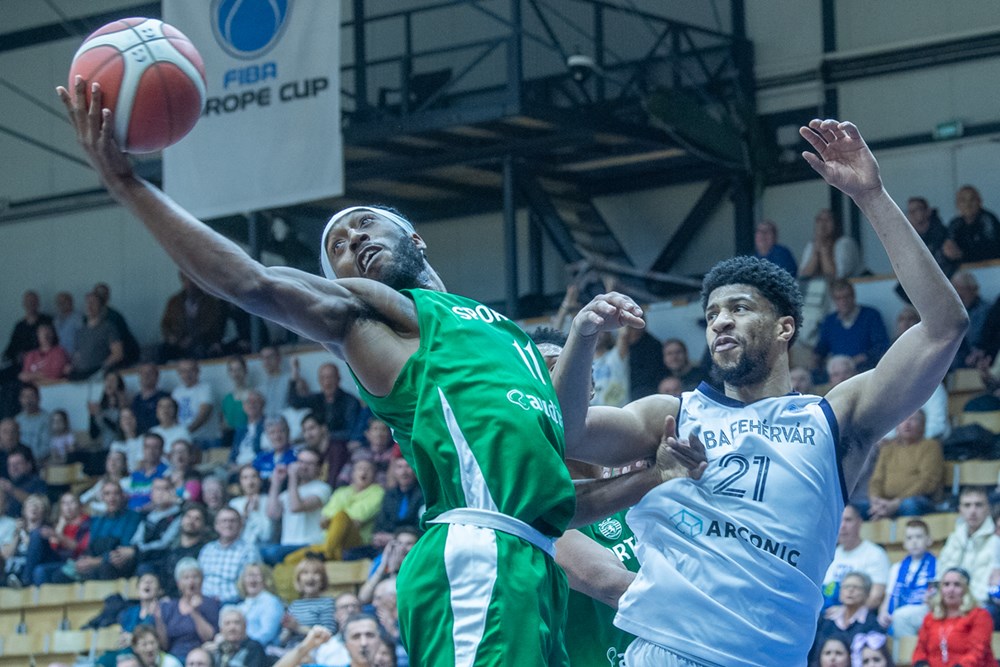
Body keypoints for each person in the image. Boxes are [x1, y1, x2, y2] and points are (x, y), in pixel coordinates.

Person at [56, 75, 747, 665]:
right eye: (337, 248)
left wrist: (658, 473)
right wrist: (128, 183)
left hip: (528, 556)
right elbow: (253, 281)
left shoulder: (501, 332)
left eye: (362, 226)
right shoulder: (380, 325)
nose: (350, 240)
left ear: (413, 237)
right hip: (477, 554)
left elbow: (558, 501)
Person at [551, 119, 968, 666]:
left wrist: (871, 196)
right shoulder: (669, 415)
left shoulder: (834, 417)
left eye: (740, 308)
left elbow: (943, 326)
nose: (721, 322)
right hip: (667, 651)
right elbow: (565, 431)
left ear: (784, 328)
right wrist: (582, 337)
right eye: (712, 314)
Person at [865, 411, 943, 519]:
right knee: (853, 509)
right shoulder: (887, 448)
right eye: (903, 419)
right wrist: (875, 500)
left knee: (909, 505)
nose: (907, 424)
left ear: (923, 425)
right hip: (884, 502)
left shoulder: (930, 446)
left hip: (917, 500)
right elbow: (876, 479)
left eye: (913, 419)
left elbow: (928, 481)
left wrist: (897, 502)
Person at [912, 567, 994, 667]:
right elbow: (920, 650)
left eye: (957, 585)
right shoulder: (930, 618)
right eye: (946, 584)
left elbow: (977, 652)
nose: (951, 589)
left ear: (966, 589)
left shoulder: (980, 615)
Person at [262, 447, 331, 565]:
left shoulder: (322, 488)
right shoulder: (288, 492)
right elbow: (273, 514)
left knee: (270, 552)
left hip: (310, 545)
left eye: (309, 464)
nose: (303, 467)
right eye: (301, 462)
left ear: (319, 469)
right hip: (287, 545)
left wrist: (292, 477)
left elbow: (296, 507)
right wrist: (276, 482)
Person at [813, 279, 890, 376]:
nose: (843, 301)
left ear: (853, 296)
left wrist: (857, 359)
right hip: (838, 372)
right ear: (834, 300)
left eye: (846, 297)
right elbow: (822, 347)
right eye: (838, 298)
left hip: (865, 370)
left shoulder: (871, 315)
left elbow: (881, 346)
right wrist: (816, 358)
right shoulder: (829, 321)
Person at [936, 486, 998, 605]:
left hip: (980, 603)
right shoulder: (953, 538)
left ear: (988, 509)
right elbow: (942, 573)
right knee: (903, 617)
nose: (972, 510)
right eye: (967, 505)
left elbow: (990, 589)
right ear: (960, 509)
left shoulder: (996, 540)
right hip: (950, 603)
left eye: (978, 505)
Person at [822, 505, 891, 610]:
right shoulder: (830, 554)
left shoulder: (875, 554)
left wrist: (844, 613)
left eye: (848, 520)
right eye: (839, 521)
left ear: (859, 523)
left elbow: (875, 598)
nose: (842, 526)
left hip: (855, 618)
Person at [810, 571, 882, 666]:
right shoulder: (826, 620)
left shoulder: (872, 624)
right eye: (846, 587)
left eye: (857, 587)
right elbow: (814, 654)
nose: (850, 591)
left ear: (867, 594)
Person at [156, 558, 222, 661]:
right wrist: (158, 619)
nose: (191, 582)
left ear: (202, 580)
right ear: (178, 583)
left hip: (200, 656)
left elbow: (209, 637)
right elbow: (163, 645)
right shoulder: (170, 607)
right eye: (186, 578)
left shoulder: (211, 603)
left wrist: (194, 612)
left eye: (195, 577)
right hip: (174, 658)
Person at [878, 519, 936, 637]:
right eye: (909, 538)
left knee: (900, 617)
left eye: (919, 537)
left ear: (929, 540)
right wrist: (883, 613)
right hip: (899, 611)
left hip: (925, 610)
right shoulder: (896, 567)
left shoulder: (937, 565)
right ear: (904, 543)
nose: (914, 541)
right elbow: (889, 596)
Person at [160, 273, 228, 362]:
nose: (190, 284)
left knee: (201, 349)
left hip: (202, 341)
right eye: (186, 280)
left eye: (192, 280)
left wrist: (192, 338)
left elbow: (211, 325)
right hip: (178, 341)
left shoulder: (210, 302)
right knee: (162, 350)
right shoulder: (174, 302)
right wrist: (174, 338)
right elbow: (165, 324)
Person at [198, 507, 259, 604]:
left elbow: (249, 585)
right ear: (216, 525)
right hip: (203, 602)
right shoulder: (207, 549)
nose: (228, 524)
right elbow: (199, 578)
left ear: (240, 525)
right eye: (224, 521)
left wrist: (221, 599)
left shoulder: (248, 550)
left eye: (232, 521)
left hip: (232, 604)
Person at [290, 362, 360, 443]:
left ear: (338, 379)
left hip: (341, 445)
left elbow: (351, 432)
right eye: (323, 378)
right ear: (319, 381)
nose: (327, 382)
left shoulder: (350, 401)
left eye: (330, 377)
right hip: (318, 445)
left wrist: (324, 435)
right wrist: (294, 373)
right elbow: (294, 402)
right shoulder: (316, 398)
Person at [69, 290, 124, 380]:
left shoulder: (109, 327)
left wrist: (101, 368)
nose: (89, 306)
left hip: (100, 376)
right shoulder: (80, 331)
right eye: (87, 303)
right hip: (82, 377)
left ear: (101, 306)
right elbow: (77, 355)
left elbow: (118, 353)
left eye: (93, 303)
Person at [800, 208, 863, 280]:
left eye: (827, 220)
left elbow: (837, 277)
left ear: (836, 224)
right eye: (819, 220)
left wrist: (824, 251)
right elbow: (803, 276)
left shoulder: (845, 243)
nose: (822, 224)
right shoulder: (811, 245)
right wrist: (815, 254)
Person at [942, 185, 1000, 264]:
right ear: (957, 205)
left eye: (972, 200)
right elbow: (948, 244)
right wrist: (948, 252)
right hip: (964, 270)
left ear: (980, 202)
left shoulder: (988, 220)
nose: (968, 204)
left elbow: (993, 249)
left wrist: (963, 254)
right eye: (963, 200)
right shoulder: (955, 224)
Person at [172, 359, 221, 450]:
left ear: (198, 371)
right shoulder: (176, 392)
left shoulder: (205, 388)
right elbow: (173, 415)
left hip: (207, 440)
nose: (187, 374)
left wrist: (186, 431)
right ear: (179, 373)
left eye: (191, 370)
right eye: (183, 371)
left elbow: (204, 414)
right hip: (186, 439)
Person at [234, 561, 284, 647]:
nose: (252, 580)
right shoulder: (241, 605)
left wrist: (241, 645)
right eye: (249, 576)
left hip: (261, 650)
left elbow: (267, 634)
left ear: (265, 579)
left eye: (257, 576)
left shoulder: (271, 602)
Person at [203, 606, 268, 667]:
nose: (232, 628)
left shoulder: (254, 649)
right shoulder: (217, 649)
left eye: (237, 623)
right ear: (221, 629)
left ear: (245, 626)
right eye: (227, 623)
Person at [228, 465, 274, 546]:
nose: (250, 482)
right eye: (245, 478)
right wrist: (244, 516)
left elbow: (267, 535)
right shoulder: (234, 503)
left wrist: (257, 512)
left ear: (260, 480)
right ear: (240, 482)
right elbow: (232, 535)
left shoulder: (268, 500)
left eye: (254, 477)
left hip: (264, 547)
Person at [90, 370, 131, 449]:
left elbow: (120, 431)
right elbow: (93, 436)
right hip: (105, 449)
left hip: (121, 448)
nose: (109, 383)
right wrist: (92, 416)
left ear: (118, 384)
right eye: (107, 380)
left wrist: (103, 417)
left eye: (113, 380)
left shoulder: (124, 407)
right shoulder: (99, 407)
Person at [14, 383, 50, 462]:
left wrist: (28, 461)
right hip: (18, 462)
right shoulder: (17, 419)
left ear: (38, 398)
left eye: (31, 396)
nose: (28, 400)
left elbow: (46, 447)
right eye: (25, 397)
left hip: (40, 462)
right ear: (20, 399)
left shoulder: (47, 419)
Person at [132, 362, 171, 435]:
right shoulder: (135, 400)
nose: (146, 376)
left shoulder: (165, 397)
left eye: (150, 373)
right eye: (143, 373)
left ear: (157, 376)